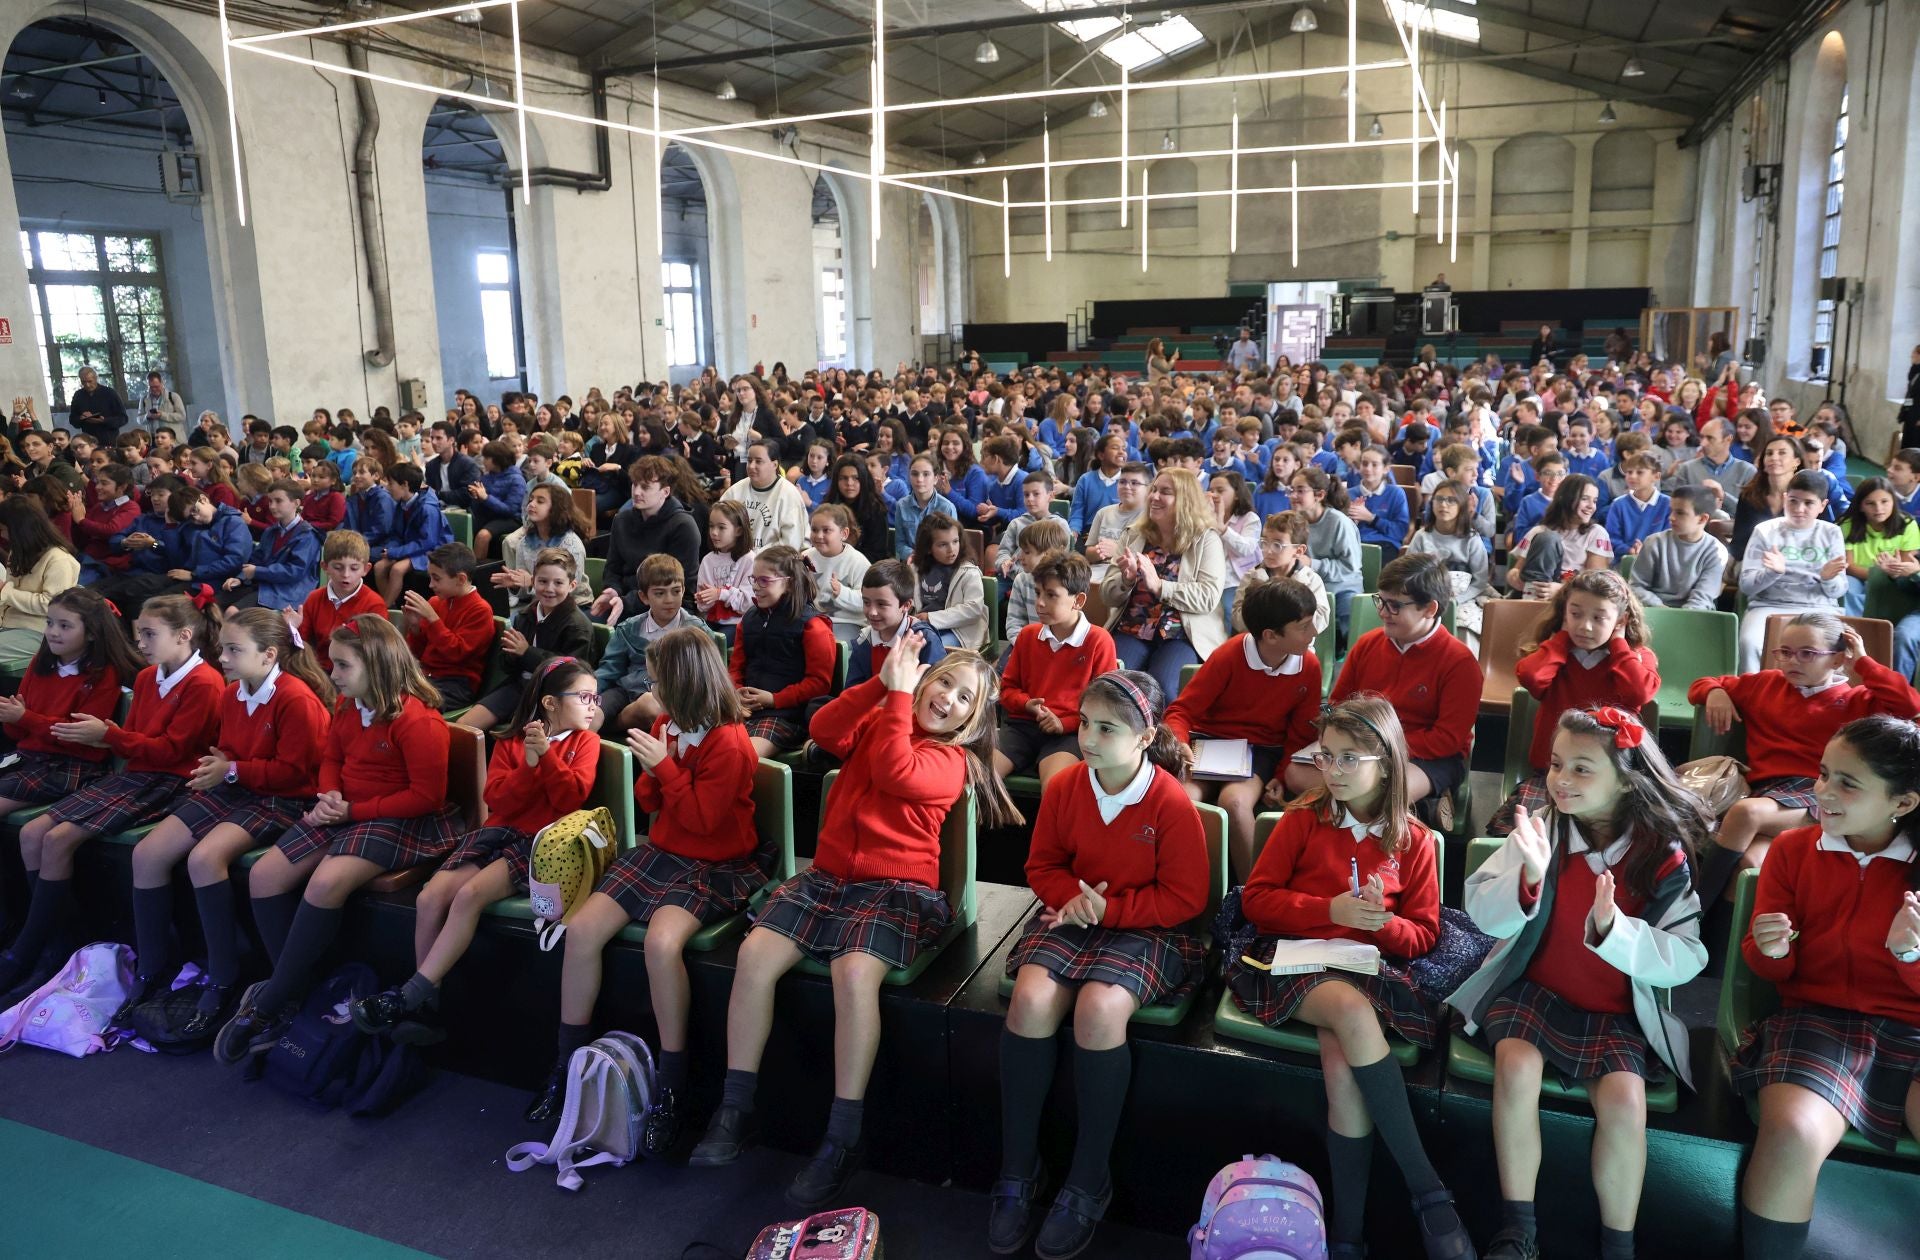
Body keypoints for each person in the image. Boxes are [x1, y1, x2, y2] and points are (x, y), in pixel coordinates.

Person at [688, 642, 1018, 1207]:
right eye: (944, 683)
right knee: (753, 956)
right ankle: (736, 1106)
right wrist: (881, 685)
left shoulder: (951, 762)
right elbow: (824, 728)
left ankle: (843, 1135)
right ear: (924, 679)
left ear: (971, 722)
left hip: (897, 890)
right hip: (828, 878)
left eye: (965, 698)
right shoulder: (884, 713)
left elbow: (894, 768)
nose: (948, 699)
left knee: (854, 973)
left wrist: (898, 697)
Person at [1452, 708, 1710, 1260]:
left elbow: (1688, 957)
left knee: (1626, 1102)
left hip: (1613, 1012)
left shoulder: (1661, 857)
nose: (1560, 780)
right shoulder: (1542, 829)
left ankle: (1619, 1246)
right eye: (1555, 764)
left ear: (1627, 780)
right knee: (1515, 1066)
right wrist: (1527, 877)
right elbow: (1484, 916)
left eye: (1582, 769)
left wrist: (1616, 931)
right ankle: (1518, 1229)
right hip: (1532, 990)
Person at [1226, 696, 1468, 1260]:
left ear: (1385, 764)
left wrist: (1383, 925)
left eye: (1347, 759)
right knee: (1350, 1012)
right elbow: (1257, 902)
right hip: (1291, 958)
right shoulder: (1303, 818)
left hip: (1365, 966)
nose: (1331, 771)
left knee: (1343, 1073)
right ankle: (1428, 1191)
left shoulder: (1413, 839)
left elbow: (1423, 936)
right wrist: (1328, 910)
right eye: (1325, 756)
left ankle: (1347, 1234)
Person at [992, 670, 1207, 1258]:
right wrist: (1073, 899)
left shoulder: (1170, 802)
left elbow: (1186, 898)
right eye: (1085, 723)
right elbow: (1042, 866)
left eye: (1106, 728)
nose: (1087, 738)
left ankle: (1089, 1178)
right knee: (1029, 997)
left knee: (1100, 1007)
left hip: (1148, 929)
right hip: (1076, 915)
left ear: (1145, 738)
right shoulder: (1066, 785)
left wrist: (1111, 909)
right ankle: (1019, 1166)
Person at [524, 630, 764, 1149]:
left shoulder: (729, 741)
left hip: (714, 862)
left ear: (684, 682)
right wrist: (657, 768)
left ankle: (672, 1083)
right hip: (662, 851)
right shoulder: (664, 725)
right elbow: (649, 801)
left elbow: (703, 821)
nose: (650, 692)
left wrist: (663, 766)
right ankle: (566, 1065)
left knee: (660, 943)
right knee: (581, 930)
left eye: (657, 682)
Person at [215, 615, 462, 1066]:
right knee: (265, 876)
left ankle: (270, 1002)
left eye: (343, 665)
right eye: (333, 664)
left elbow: (426, 797)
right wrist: (329, 794)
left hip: (399, 819)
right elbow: (331, 758)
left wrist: (352, 811)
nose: (333, 674)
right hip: (345, 809)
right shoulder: (348, 706)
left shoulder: (418, 720)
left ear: (378, 665)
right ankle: (296, 992)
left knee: (325, 883)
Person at [1730, 716, 1920, 1259]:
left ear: (1903, 803)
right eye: (1823, 774)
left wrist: (1910, 955)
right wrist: (1773, 951)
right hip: (1817, 1019)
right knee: (1791, 1133)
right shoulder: (1792, 850)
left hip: (1913, 1028)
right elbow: (1765, 967)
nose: (1823, 791)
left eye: (1847, 783)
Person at [352, 656, 600, 1046]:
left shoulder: (586, 742)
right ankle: (427, 1007)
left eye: (595, 698)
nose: (593, 706)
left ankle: (407, 997)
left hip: (539, 842)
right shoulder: (514, 739)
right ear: (551, 702)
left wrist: (546, 759)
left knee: (469, 895)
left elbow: (569, 799)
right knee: (430, 896)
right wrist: (529, 766)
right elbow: (496, 799)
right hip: (497, 833)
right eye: (584, 697)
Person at [117, 609, 334, 1034]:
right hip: (238, 786)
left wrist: (232, 769)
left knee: (204, 859)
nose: (223, 658)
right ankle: (151, 968)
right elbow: (231, 750)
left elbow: (296, 774)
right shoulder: (233, 693)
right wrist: (222, 765)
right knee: (147, 854)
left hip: (282, 798)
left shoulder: (296, 698)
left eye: (234, 650)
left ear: (269, 655)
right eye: (222, 648)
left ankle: (223, 975)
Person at [0, 591, 224, 994]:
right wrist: (113, 736)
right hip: (136, 775)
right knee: (34, 833)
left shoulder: (205, 682)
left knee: (58, 839)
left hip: (170, 782)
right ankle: (52, 944)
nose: (140, 643)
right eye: (139, 634)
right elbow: (134, 740)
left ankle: (30, 950)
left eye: (149, 634)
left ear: (183, 635)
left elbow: (171, 752)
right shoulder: (147, 677)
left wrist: (108, 735)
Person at [1687, 613, 1920, 908]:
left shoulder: (1858, 700)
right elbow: (1700, 684)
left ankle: (1689, 913)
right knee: (1751, 863)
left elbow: (1910, 706)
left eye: (1807, 653)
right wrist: (1715, 691)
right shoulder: (1764, 684)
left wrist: (1863, 662)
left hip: (1820, 792)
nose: (1792, 661)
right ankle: (1717, 936)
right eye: (1784, 652)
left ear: (1837, 659)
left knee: (1746, 813)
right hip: (1769, 793)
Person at [0, 588, 144, 946]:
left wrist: (25, 718)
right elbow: (20, 734)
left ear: (91, 633)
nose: (53, 632)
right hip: (32, 759)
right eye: (50, 623)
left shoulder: (103, 674)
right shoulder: (41, 663)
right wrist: (13, 719)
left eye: (65, 626)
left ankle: (48, 931)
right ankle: (26, 921)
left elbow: (75, 738)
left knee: (30, 831)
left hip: (73, 766)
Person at [1290, 553, 1477, 820]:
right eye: (1381, 601)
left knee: (1378, 793)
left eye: (1395, 606)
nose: (1382, 612)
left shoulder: (1459, 661)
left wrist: (1377, 748)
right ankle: (1421, 808)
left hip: (1428, 758)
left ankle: (1409, 808)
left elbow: (1447, 740)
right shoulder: (1367, 644)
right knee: (1295, 774)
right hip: (1359, 749)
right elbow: (1337, 705)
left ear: (1429, 609)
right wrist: (1343, 744)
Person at [1164, 578, 1321, 879]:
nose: (1314, 632)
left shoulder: (1309, 667)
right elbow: (1181, 711)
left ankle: (1253, 893)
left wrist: (1280, 775)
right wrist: (1180, 742)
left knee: (1235, 803)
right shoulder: (1229, 655)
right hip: (1208, 744)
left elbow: (1301, 735)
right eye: (1304, 626)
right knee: (1182, 799)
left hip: (1259, 751)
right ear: (1271, 636)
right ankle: (1189, 887)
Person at [1486, 572, 1659, 836]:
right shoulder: (1554, 653)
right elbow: (1531, 677)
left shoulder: (1636, 657)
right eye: (1575, 614)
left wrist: (1618, 644)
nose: (1585, 626)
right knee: (1524, 835)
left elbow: (1639, 693)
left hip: (1609, 779)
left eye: (1599, 618)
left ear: (1621, 620)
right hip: (1555, 773)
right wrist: (1562, 639)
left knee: (1620, 836)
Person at [993, 551, 1119, 791]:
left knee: (1055, 788)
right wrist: (1026, 704)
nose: (1040, 602)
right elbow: (1007, 690)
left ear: (1078, 600)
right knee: (979, 777)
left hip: (1070, 733)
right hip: (1021, 727)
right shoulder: (1028, 636)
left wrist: (1065, 723)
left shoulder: (1099, 641)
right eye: (1038, 593)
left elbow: (1105, 707)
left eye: (1051, 595)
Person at [1098, 470, 1226, 699]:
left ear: (1185, 500)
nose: (1154, 496)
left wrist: (1160, 586)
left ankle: (1159, 725)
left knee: (1163, 689)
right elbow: (1107, 595)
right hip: (1133, 627)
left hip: (1182, 634)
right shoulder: (1134, 535)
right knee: (1111, 684)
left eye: (1165, 492)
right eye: (1154, 490)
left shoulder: (1206, 540)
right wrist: (1126, 580)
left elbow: (1207, 597)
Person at [457, 549, 592, 732]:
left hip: (553, 697)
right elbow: (506, 665)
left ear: (572, 585)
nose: (549, 588)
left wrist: (527, 652)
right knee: (464, 728)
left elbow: (571, 674)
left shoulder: (578, 626)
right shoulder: (525, 615)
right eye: (543, 581)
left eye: (558, 583)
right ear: (533, 581)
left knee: (517, 735)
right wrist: (512, 653)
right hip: (519, 686)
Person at [728, 544, 835, 758]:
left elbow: (819, 683)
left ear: (789, 583)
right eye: (753, 579)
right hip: (743, 709)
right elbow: (735, 668)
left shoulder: (813, 625)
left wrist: (774, 699)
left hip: (786, 716)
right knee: (703, 743)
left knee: (740, 757)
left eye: (764, 580)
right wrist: (736, 693)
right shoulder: (748, 620)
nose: (755, 587)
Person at [1736, 471, 1847, 672]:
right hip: (1769, 605)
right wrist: (1772, 573)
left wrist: (1827, 579)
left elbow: (1838, 591)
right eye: (1793, 501)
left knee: (1836, 650)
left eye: (1808, 503)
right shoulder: (1765, 531)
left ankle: (1823, 691)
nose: (1799, 509)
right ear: (1785, 498)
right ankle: (1752, 690)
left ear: (1822, 505)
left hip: (1819, 607)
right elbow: (1746, 586)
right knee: (1749, 643)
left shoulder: (1831, 533)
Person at [594, 554, 706, 738]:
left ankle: (612, 729)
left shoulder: (696, 630)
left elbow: (705, 677)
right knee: (590, 711)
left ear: (684, 590)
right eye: (660, 593)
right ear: (644, 597)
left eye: (676, 591)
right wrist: (587, 691)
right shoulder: (629, 628)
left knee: (649, 705)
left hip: (668, 698)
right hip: (625, 691)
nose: (669, 599)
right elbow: (609, 669)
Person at [402, 542, 494, 713]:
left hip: (456, 684)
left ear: (461, 579)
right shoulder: (436, 602)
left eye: (436, 578)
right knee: (383, 690)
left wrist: (433, 619)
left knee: (408, 705)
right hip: (426, 675)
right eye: (430, 577)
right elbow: (417, 653)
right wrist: (415, 629)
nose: (430, 585)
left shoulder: (480, 610)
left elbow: (457, 654)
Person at [0, 497, 82, 674]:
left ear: (19, 530)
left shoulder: (59, 559)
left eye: (4, 530)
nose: (3, 536)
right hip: (8, 625)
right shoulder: (19, 552)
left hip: (40, 632)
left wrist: (5, 591)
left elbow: (51, 605)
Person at [1407, 482, 1491, 652]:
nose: (1444, 505)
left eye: (1451, 500)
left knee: (1465, 625)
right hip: (1426, 595)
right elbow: (1408, 572)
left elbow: (1480, 581)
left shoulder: (1471, 539)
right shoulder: (1422, 536)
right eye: (1439, 499)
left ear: (1461, 506)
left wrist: (1456, 600)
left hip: (1462, 597)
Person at [290, 530, 388, 674]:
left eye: (354, 568)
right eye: (338, 567)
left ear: (366, 569)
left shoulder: (374, 604)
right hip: (318, 671)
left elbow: (377, 652)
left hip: (355, 674)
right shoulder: (314, 598)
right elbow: (302, 645)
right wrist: (293, 629)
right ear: (325, 567)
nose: (346, 574)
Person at [1290, 466, 1363, 653]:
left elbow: (1350, 567)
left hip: (1342, 586)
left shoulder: (1339, 522)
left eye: (1300, 491)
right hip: (1308, 585)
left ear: (1319, 495)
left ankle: (1345, 654)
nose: (1293, 496)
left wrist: (1312, 564)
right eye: (1292, 490)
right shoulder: (1295, 521)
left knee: (1346, 614)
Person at [843, 559, 946, 690]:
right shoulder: (864, 640)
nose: (872, 612)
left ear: (906, 605)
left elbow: (933, 691)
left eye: (881, 604)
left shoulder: (925, 640)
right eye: (866, 602)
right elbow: (852, 691)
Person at [488, 484, 589, 615]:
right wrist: (516, 585)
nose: (531, 504)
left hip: (573, 606)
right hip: (540, 604)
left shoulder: (571, 544)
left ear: (556, 508)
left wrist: (531, 582)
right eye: (531, 500)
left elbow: (569, 589)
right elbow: (526, 593)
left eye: (540, 501)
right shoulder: (524, 543)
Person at [1509, 475, 1613, 601]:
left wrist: (1561, 590)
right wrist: (1515, 578)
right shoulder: (1539, 530)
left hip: (1574, 598)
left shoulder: (1596, 533)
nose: (1591, 506)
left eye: (1595, 501)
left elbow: (1595, 583)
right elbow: (1515, 571)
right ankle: (1534, 598)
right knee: (1547, 538)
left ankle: (1534, 601)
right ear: (1566, 499)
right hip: (1538, 592)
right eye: (1585, 499)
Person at [1626, 486, 1729, 611]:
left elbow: (1702, 598)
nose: (1671, 517)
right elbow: (1636, 586)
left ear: (1702, 519)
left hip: (1694, 615)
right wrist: (1662, 609)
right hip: (1653, 612)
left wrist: (1677, 618)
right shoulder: (1654, 542)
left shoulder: (1716, 551)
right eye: (1671, 511)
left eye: (1680, 513)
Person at [1837, 477, 1919, 616]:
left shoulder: (1907, 524)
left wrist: (1888, 573)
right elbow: (1848, 566)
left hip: (1892, 577)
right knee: (1847, 587)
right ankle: (1854, 625)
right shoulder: (1847, 524)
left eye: (1884, 501)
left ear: (1893, 502)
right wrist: (1876, 574)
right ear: (1860, 506)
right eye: (1870, 503)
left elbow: (1907, 565)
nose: (1878, 509)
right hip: (1856, 576)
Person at [374, 463, 452, 607]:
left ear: (405, 485)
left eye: (391, 483)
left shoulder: (427, 508)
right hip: (412, 548)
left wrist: (395, 552)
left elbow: (427, 542)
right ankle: (391, 606)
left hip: (433, 550)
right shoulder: (402, 503)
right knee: (379, 567)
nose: (387, 487)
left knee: (397, 569)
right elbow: (396, 534)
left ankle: (384, 609)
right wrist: (391, 550)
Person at [910, 513, 989, 652]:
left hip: (959, 632)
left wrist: (930, 618)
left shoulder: (968, 571)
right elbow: (907, 600)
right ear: (928, 548)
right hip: (923, 626)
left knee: (932, 648)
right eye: (943, 545)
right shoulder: (915, 569)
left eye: (955, 541)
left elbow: (973, 610)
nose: (952, 550)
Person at [723, 440, 810, 553]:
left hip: (775, 560)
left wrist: (755, 557)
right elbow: (719, 526)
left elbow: (791, 544)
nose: (751, 466)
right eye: (749, 461)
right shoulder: (735, 491)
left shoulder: (789, 494)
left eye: (758, 461)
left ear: (774, 465)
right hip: (737, 557)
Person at [806, 503, 872, 646]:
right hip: (814, 620)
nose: (819, 536)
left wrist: (842, 592)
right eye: (814, 529)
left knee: (824, 643)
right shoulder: (806, 557)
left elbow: (869, 601)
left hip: (849, 623)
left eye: (826, 530)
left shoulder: (857, 561)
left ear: (844, 533)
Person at [695, 500, 755, 643]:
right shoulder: (708, 560)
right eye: (711, 526)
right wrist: (704, 600)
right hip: (712, 621)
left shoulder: (749, 559)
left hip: (739, 623)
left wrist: (720, 594)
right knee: (692, 639)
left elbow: (748, 604)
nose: (714, 532)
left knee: (714, 642)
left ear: (739, 530)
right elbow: (703, 608)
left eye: (721, 527)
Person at [67, 366, 127, 444]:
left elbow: (123, 418)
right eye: (83, 382)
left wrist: (104, 420)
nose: (87, 385)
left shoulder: (110, 393)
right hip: (88, 441)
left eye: (90, 381)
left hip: (109, 440)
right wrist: (81, 418)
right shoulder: (78, 395)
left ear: (96, 378)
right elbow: (72, 419)